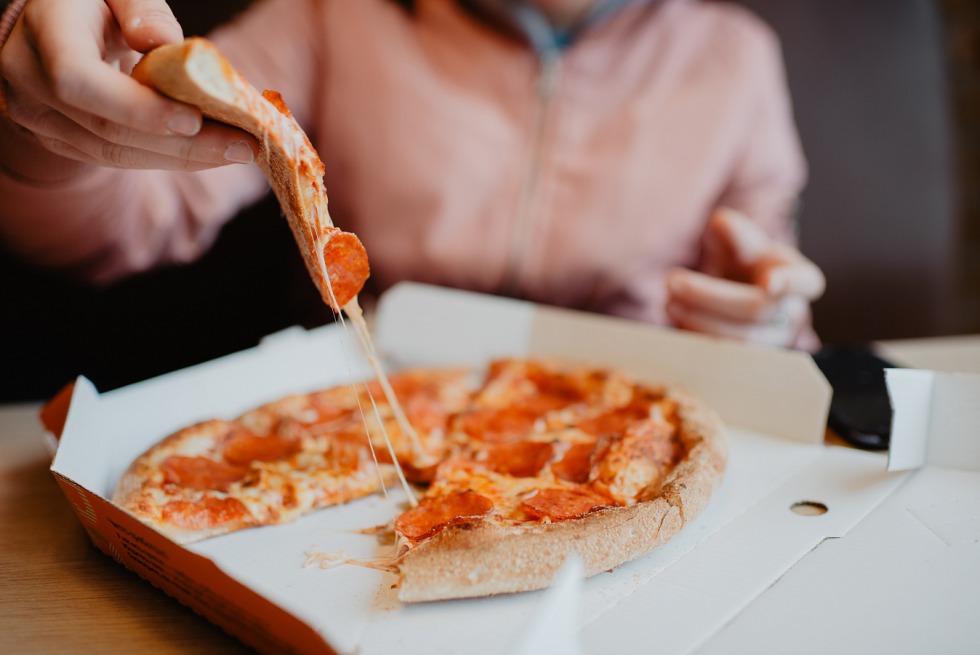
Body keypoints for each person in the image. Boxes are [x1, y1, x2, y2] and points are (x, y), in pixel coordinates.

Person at [0, 0, 825, 351]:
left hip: (633, 399)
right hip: (375, 403)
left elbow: (765, 277)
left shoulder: (735, 55)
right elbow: (123, 222)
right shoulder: (330, 18)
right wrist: (50, 118)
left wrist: (767, 322)